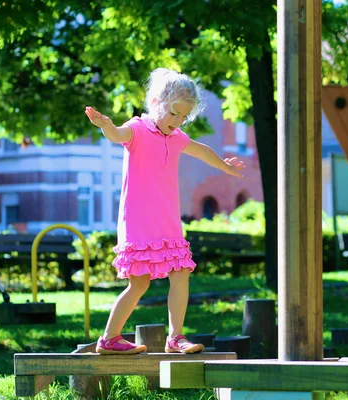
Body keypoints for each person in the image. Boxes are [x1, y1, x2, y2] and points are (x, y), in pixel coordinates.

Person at [84, 68, 245, 355]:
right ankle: (109, 339)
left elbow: (203, 150)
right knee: (139, 283)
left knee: (181, 272)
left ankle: (176, 337)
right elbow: (116, 135)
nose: (178, 121)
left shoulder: (177, 138)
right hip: (139, 221)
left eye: (183, 117)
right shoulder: (137, 129)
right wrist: (106, 125)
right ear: (156, 102)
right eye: (173, 114)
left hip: (167, 221)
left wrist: (226, 167)